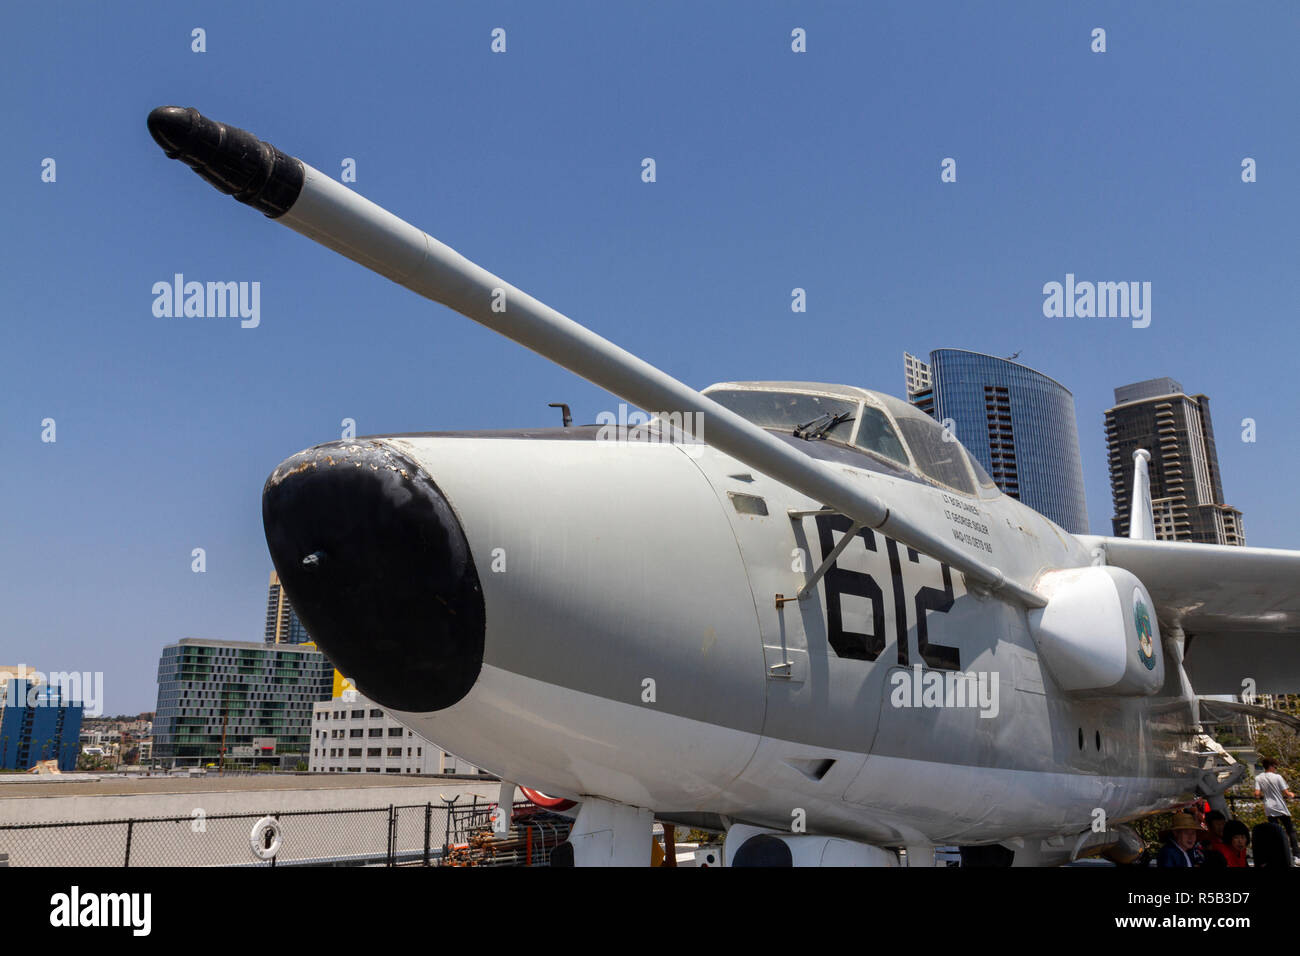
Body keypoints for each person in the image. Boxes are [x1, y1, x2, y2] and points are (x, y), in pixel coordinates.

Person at [1253, 758, 1299, 862]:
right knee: (1291, 831)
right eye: (1275, 766)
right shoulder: (1277, 777)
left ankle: (1278, 854)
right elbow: (1286, 793)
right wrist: (1292, 794)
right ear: (1271, 766)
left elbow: (1256, 793)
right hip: (1280, 807)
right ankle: (1296, 855)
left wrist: (1261, 795)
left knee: (1275, 832)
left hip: (1269, 808)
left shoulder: (1258, 778)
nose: (1276, 769)